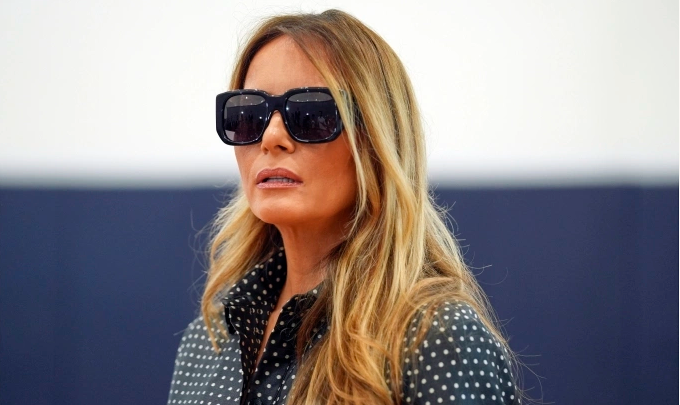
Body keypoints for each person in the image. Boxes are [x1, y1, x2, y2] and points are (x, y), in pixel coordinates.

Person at [168, 9, 521, 405]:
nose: (271, 137)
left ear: (377, 141)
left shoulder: (436, 338)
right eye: (248, 114)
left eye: (312, 114)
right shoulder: (208, 341)